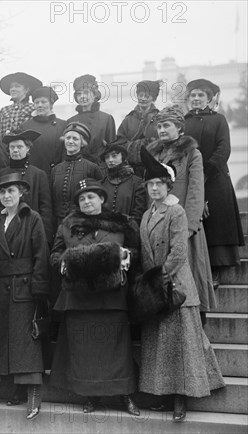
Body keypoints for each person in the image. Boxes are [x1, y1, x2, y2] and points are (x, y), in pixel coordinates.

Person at [138, 147, 225, 422]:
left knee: (181, 346)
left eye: (159, 184)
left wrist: (160, 278)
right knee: (162, 347)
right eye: (150, 184)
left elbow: (178, 252)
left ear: (168, 186)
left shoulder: (176, 211)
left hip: (176, 288)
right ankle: (164, 394)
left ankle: (181, 400)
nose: (154, 188)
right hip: (157, 288)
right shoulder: (146, 214)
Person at [49, 179, 140, 416]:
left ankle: (125, 395)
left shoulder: (122, 223)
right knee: (84, 349)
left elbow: (137, 251)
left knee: (117, 349)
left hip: (112, 297)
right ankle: (91, 395)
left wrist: (127, 257)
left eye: (91, 197)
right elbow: (55, 254)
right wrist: (64, 264)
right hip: (80, 297)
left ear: (102, 199)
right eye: (82, 198)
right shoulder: (68, 225)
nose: (86, 202)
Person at [144, 105, 215, 323]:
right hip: (158, 226)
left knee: (189, 273)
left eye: (167, 125)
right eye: (159, 126)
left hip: (183, 226)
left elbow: (196, 191)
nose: (162, 130)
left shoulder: (192, 153)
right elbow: (149, 191)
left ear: (179, 128)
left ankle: (196, 323)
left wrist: (189, 228)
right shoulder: (152, 153)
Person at [0, 173, 49, 420]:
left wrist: (39, 288)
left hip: (25, 286)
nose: (6, 196)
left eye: (11, 191)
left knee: (27, 341)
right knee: (8, 339)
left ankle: (34, 393)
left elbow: (41, 254)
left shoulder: (31, 217)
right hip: (1, 287)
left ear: (21, 193)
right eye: (2, 192)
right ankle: (17, 387)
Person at [183, 78, 244, 287]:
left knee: (215, 220)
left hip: (215, 178)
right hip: (190, 179)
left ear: (209, 99)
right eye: (193, 95)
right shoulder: (183, 121)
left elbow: (223, 149)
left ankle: (215, 270)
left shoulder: (219, 120)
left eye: (201, 95)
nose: (197, 99)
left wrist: (206, 172)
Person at [0, 130, 53, 244]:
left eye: (19, 146)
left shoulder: (38, 174)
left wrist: (44, 237)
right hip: (6, 230)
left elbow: (46, 208)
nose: (15, 150)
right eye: (12, 147)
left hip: (31, 230)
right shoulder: (0, 175)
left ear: (28, 148)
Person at [50, 122, 103, 228]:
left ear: (82, 143)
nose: (70, 141)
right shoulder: (56, 169)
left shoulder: (92, 168)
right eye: (68, 138)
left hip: (83, 222)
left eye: (75, 139)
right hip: (58, 223)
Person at [67, 74, 116, 165]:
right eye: (79, 94)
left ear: (94, 95)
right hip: (77, 169)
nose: (82, 96)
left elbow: (113, 150)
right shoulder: (70, 121)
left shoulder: (106, 119)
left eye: (86, 93)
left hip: (101, 170)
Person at [21, 86, 67, 177]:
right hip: (33, 175)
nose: (40, 105)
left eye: (44, 101)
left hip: (56, 174)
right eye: (36, 102)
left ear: (51, 104)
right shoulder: (25, 126)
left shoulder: (63, 125)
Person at [99, 138, 147, 225]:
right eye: (107, 157)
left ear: (123, 157)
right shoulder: (101, 184)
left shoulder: (137, 183)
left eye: (114, 156)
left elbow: (138, 213)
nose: (110, 160)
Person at [0, 72, 43, 137]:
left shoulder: (33, 108)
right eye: (11, 87)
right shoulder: (4, 110)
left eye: (17, 86)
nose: (13, 89)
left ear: (26, 90)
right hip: (3, 146)